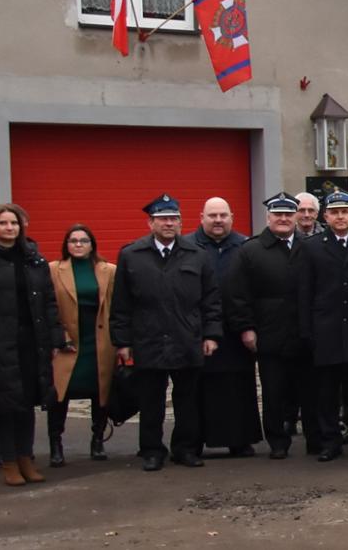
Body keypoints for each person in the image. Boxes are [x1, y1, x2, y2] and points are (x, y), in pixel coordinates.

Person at [111, 194, 221, 472]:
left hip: (187, 338)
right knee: (151, 401)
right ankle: (151, 451)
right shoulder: (131, 255)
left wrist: (211, 335)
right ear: (151, 223)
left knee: (187, 400)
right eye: (162, 219)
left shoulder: (198, 255)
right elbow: (121, 304)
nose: (168, 224)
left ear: (181, 223)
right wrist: (122, 342)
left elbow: (211, 299)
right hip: (148, 339)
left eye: (173, 219)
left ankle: (185, 449)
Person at [228, 193, 318, 460]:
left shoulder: (310, 246)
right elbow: (237, 295)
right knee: (274, 391)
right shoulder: (250, 250)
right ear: (268, 218)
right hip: (270, 332)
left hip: (306, 332)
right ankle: (278, 441)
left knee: (312, 391)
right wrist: (245, 328)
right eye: (277, 214)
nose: (283, 219)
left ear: (296, 217)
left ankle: (315, 439)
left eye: (288, 214)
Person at [296, 191, 348, 461]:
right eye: (335, 212)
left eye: (345, 211)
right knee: (326, 390)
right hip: (326, 328)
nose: (341, 216)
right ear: (326, 216)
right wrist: (306, 330)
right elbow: (304, 291)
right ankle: (330, 440)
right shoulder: (311, 246)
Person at [187, 197, 259, 459]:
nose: (218, 220)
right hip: (199, 330)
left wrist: (249, 325)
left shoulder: (246, 247)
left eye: (223, 216)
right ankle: (193, 441)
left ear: (232, 217)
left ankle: (239, 440)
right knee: (198, 389)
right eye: (212, 216)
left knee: (238, 388)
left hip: (236, 330)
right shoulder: (187, 247)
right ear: (201, 217)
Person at [0, 204, 62, 486]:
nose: (9, 228)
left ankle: (27, 457)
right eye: (2, 223)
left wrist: (55, 337)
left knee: (26, 402)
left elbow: (49, 301)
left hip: (30, 341)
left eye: (13, 223)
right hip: (1, 342)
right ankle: (9, 461)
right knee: (4, 403)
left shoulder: (34, 259)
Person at [46, 224, 114, 466]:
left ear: (92, 245)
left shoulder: (108, 271)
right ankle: (56, 444)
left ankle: (97, 441)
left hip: (99, 343)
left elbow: (116, 308)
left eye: (83, 240)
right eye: (73, 240)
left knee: (100, 394)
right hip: (69, 343)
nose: (78, 244)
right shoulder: (54, 270)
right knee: (59, 395)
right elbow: (48, 306)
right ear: (66, 245)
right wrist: (59, 336)